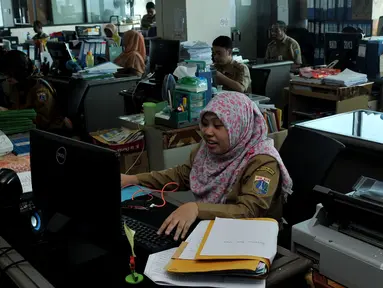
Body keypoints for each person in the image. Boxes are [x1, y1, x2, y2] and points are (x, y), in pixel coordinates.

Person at [121, 92, 293, 241]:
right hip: (214, 228)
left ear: (238, 126)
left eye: (218, 125)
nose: (208, 132)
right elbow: (183, 175)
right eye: (205, 124)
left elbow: (249, 212)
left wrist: (197, 208)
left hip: (253, 238)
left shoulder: (262, 161)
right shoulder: (208, 149)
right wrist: (133, 179)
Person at [0, 50, 71, 131]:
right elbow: (17, 107)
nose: (7, 78)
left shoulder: (40, 90)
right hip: (29, 128)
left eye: (9, 75)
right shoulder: (19, 85)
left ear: (19, 72)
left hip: (49, 131)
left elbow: (44, 121)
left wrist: (10, 114)